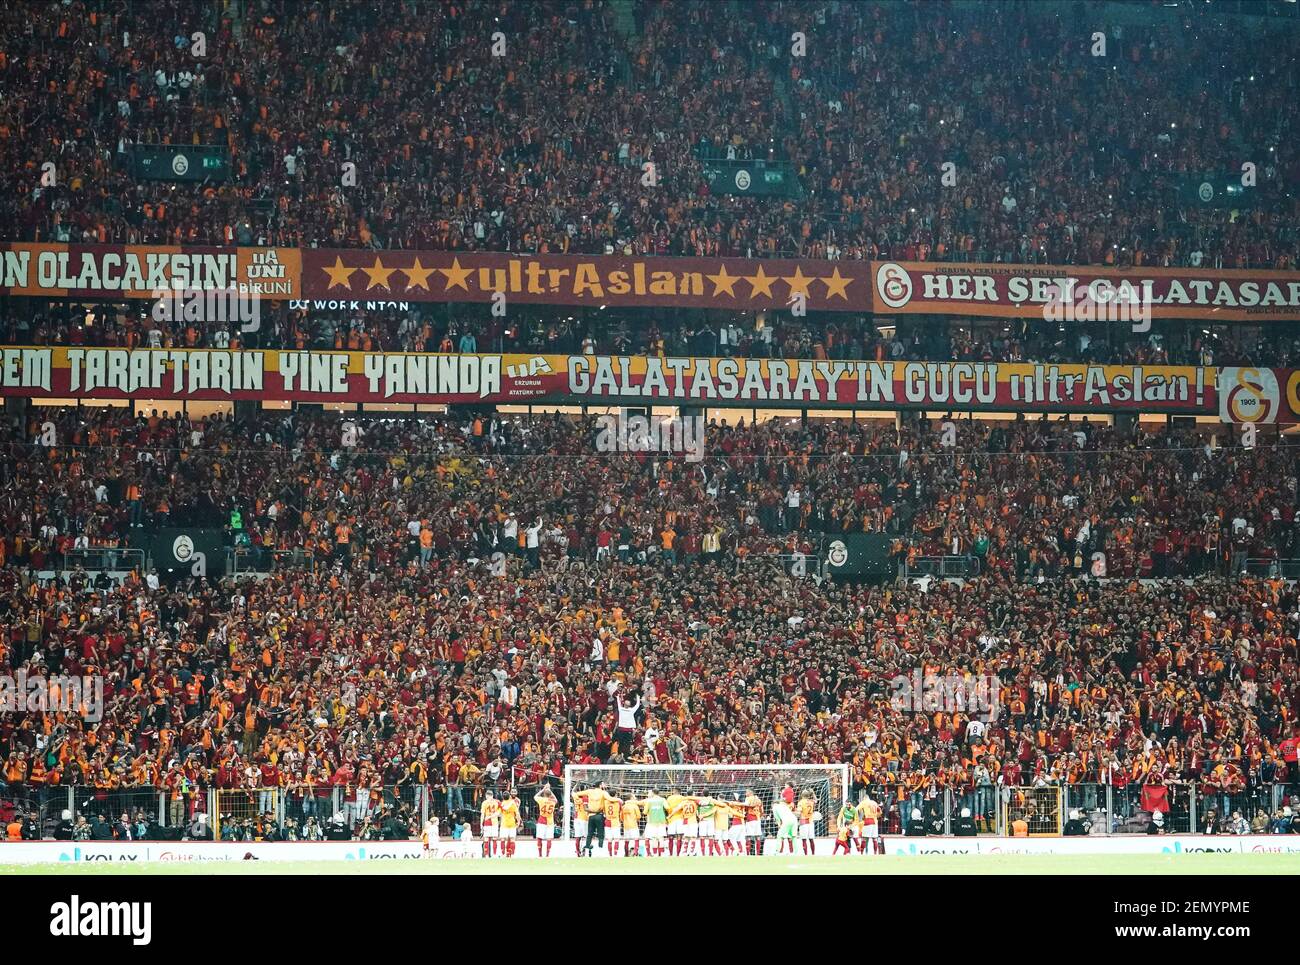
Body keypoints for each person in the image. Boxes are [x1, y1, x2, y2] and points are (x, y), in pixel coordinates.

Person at [533, 785, 557, 857]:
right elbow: (555, 798)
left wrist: (543, 789)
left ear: (544, 794)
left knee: (539, 838)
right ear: (550, 795)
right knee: (549, 839)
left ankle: (540, 855)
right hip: (550, 821)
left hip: (542, 820)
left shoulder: (541, 799)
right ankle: (547, 855)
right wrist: (549, 791)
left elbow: (535, 796)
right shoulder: (553, 801)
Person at [479, 789, 501, 857]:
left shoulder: (484, 803)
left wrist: (481, 824)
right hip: (495, 822)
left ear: (486, 796)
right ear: (492, 795)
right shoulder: (497, 802)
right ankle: (494, 854)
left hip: (487, 822)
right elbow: (499, 813)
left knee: (486, 839)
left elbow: (482, 814)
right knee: (494, 838)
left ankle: (486, 855)